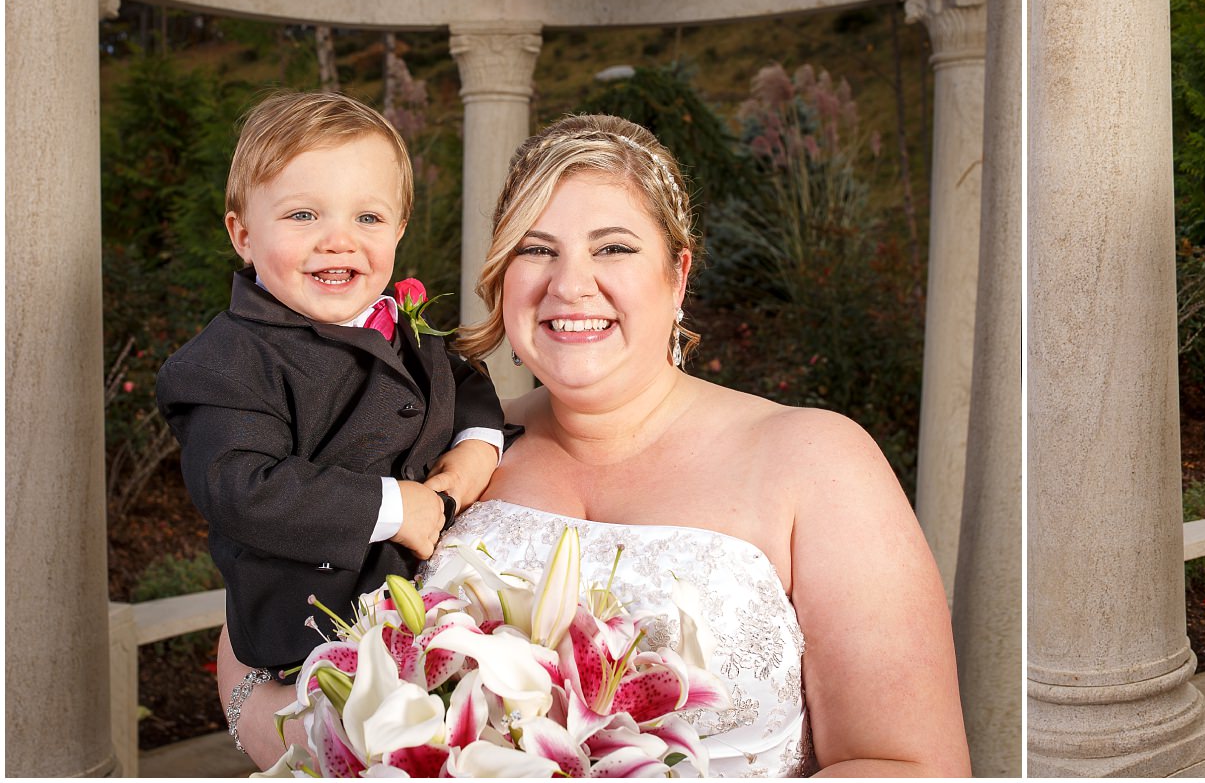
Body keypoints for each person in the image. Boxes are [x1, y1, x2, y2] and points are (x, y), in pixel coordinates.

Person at [217, 114, 970, 776]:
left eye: (612, 247)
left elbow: (912, 764)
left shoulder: (818, 461)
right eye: (536, 250)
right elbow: (261, 607)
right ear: (502, 277)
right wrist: (321, 742)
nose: (570, 285)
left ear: (678, 274)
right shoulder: (440, 446)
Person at [156, 92, 504, 756]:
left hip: (421, 619)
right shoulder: (227, 361)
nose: (337, 237)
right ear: (242, 233)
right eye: (303, 214)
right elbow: (244, 485)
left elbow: (464, 384)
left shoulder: (403, 325)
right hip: (312, 633)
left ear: (399, 229)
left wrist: (474, 452)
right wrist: (394, 505)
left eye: (367, 215)